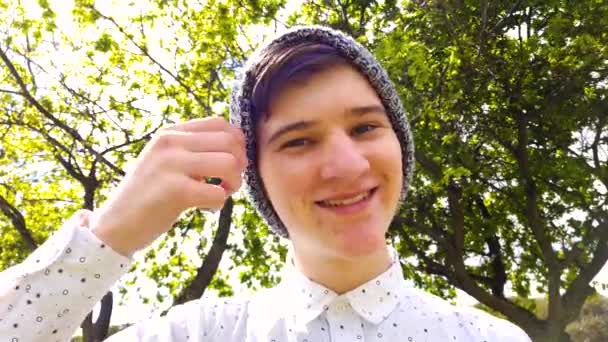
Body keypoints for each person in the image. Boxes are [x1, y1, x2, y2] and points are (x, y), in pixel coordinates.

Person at [0, 26, 531, 341]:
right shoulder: (198, 334)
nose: (346, 166)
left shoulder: (488, 338)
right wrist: (109, 235)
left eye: (366, 127)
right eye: (299, 141)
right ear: (253, 175)